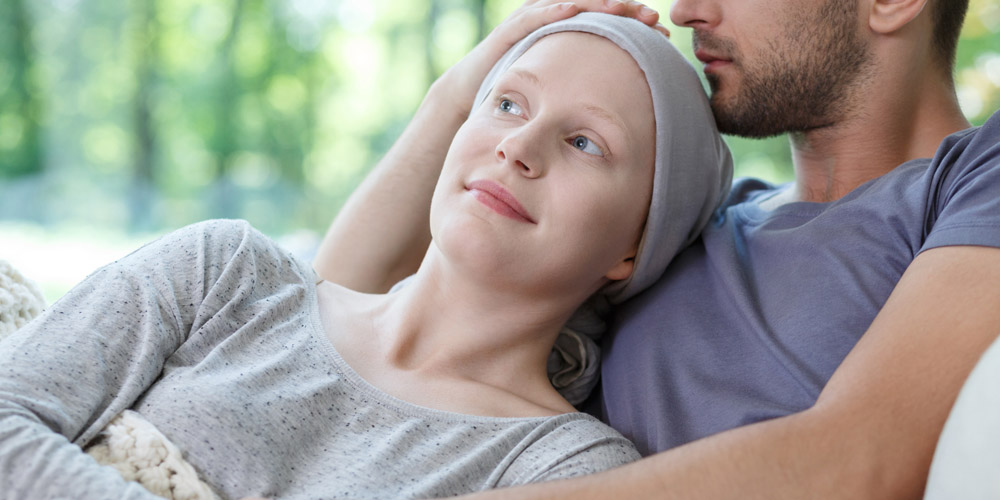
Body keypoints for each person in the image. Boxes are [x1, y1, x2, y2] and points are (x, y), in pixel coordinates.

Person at [0, 13, 732, 500]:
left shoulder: (563, 469)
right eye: (508, 103)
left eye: (584, 143)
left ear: (634, 246)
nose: (518, 146)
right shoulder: (224, 272)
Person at [315, 0, 1000, 498]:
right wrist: (461, 92)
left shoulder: (974, 184)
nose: (688, 10)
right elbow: (328, 322)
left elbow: (864, 457)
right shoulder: (695, 225)